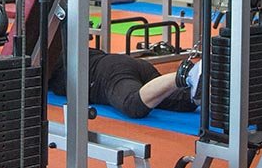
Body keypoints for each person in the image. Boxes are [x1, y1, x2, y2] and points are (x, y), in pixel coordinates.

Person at [49, 49, 199, 118]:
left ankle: (185, 75)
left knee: (133, 105)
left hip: (106, 73)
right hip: (126, 63)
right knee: (182, 100)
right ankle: (204, 84)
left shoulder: (45, 55)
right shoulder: (61, 41)